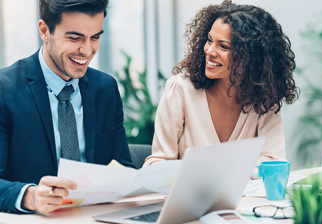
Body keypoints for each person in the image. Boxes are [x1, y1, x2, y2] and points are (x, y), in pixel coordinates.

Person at [0, 0, 134, 214]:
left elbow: (123, 168)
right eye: (74, 38)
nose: (87, 50)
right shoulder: (5, 89)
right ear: (45, 31)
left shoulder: (106, 89)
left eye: (95, 37)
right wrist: (31, 196)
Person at [144, 0, 298, 167]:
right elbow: (158, 164)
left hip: (245, 194)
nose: (209, 51)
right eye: (209, 40)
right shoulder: (180, 89)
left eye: (223, 46)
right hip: (188, 193)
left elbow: (274, 162)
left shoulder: (264, 99)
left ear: (251, 57)